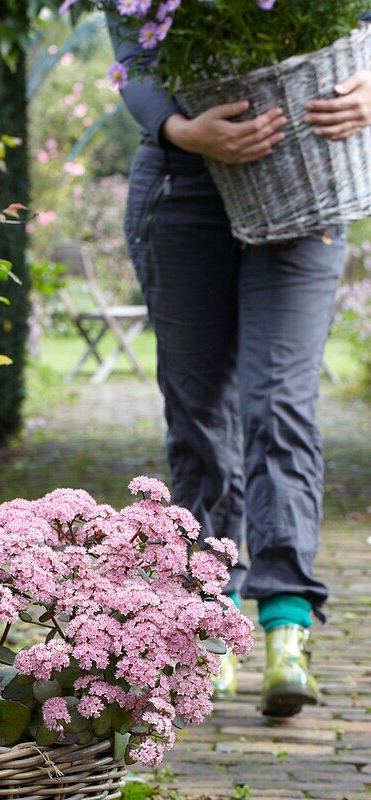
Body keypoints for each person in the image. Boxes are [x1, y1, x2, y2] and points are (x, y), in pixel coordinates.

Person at [106, 11, 371, 717]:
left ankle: (286, 625)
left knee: (278, 403)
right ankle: (205, 623)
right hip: (181, 191)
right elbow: (131, 59)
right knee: (200, 418)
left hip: (302, 179)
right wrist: (183, 131)